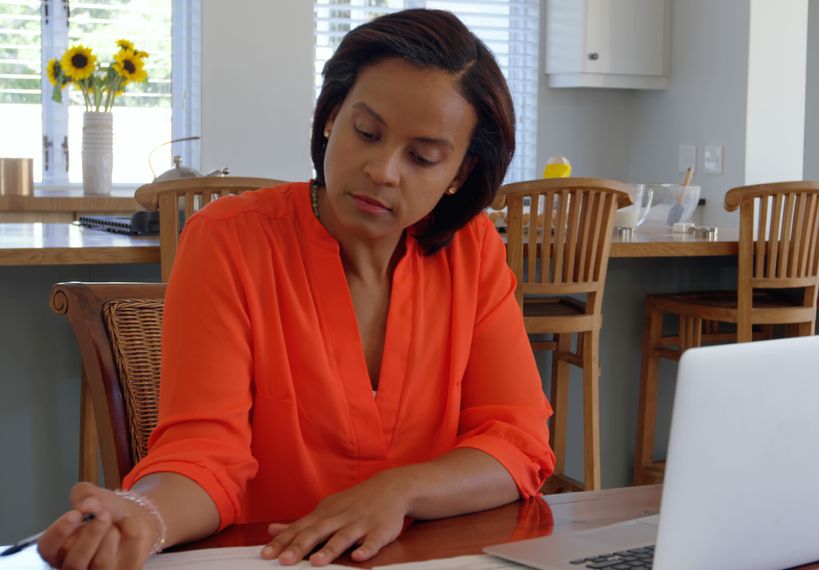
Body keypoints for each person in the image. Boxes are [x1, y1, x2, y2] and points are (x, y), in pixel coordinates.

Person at [38, 9, 555, 569]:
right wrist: (144, 515)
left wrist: (399, 490)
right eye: (367, 132)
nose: (383, 170)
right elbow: (205, 453)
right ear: (332, 116)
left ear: (458, 172)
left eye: (423, 156)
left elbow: (517, 441)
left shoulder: (472, 248)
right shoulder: (228, 239)